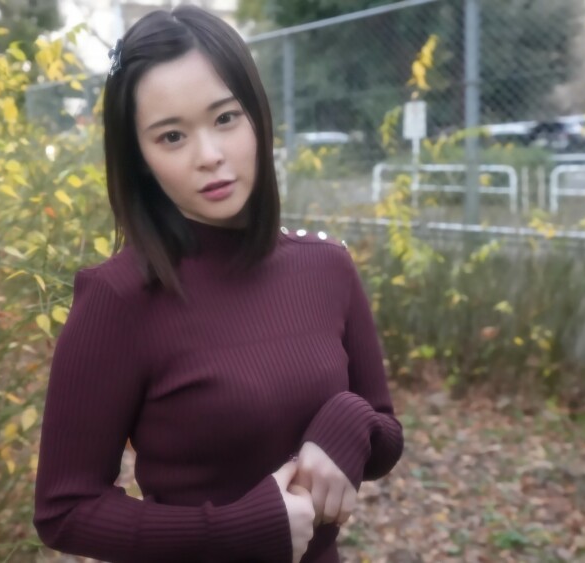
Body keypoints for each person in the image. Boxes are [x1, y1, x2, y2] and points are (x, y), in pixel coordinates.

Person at [32, 6, 403, 563]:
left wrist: (350, 421)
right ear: (141, 158)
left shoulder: (327, 267)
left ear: (257, 115)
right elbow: (64, 510)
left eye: (226, 118)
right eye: (172, 136)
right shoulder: (119, 298)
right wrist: (229, 532)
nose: (209, 156)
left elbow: (385, 435)